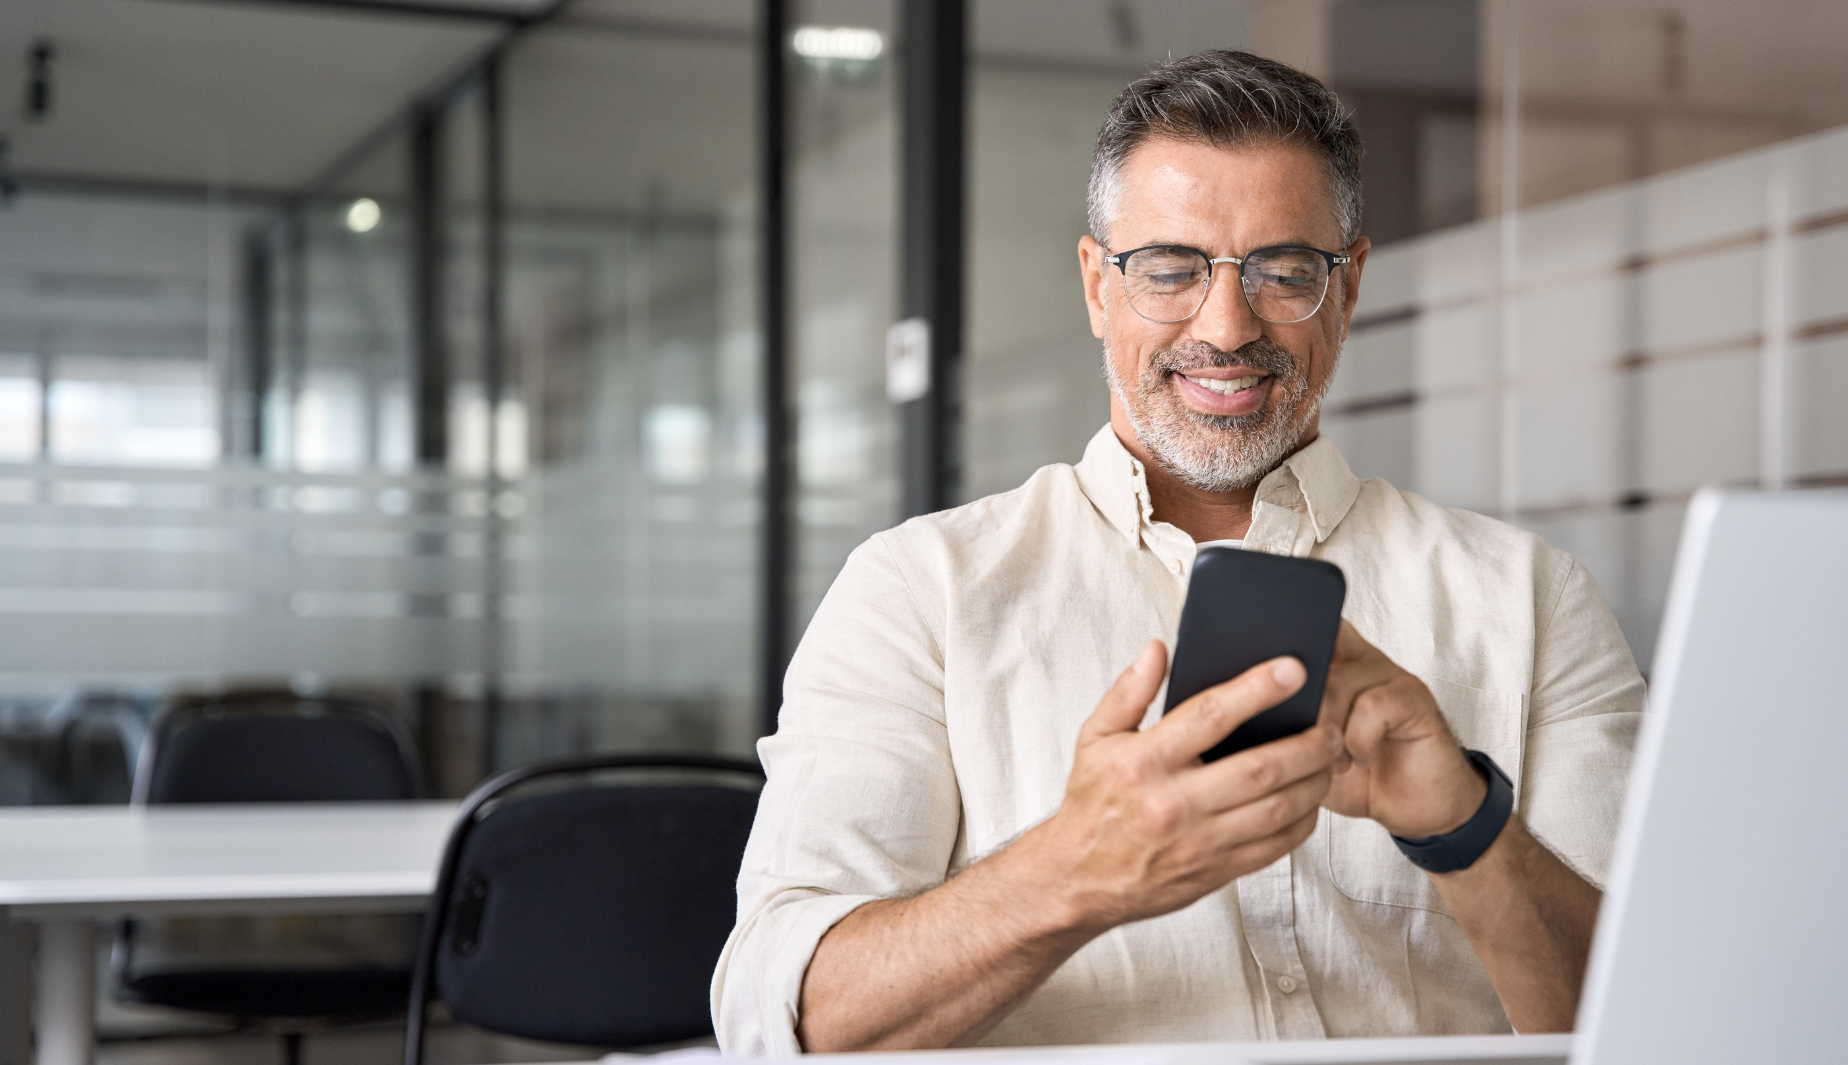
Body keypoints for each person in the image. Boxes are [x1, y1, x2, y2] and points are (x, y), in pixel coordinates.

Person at [713, 50, 1642, 1054]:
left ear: (1349, 288)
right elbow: (786, 1017)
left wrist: (1467, 828)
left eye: (1285, 271)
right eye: (1169, 270)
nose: (1227, 327)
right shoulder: (919, 592)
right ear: (1096, 285)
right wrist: (1073, 871)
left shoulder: (1529, 596)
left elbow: (1670, 1011)